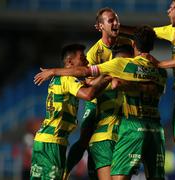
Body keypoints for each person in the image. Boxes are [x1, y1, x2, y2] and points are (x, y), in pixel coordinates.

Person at [34, 25, 167, 180]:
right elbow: (89, 87)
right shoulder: (158, 71)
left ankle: (65, 173)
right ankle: (65, 173)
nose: (86, 61)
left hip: (127, 133)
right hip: (110, 136)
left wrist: (53, 71)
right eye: (82, 59)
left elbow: (87, 74)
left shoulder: (121, 68)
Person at [121, 1, 175, 179]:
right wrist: (117, 28)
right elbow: (144, 33)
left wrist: (159, 63)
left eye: (172, 7)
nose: (168, 10)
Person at [63, 7, 133, 180]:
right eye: (111, 20)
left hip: (121, 98)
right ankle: (64, 173)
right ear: (99, 27)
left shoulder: (127, 43)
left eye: (117, 19)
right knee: (86, 138)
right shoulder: (94, 53)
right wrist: (110, 77)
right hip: (98, 99)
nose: (116, 23)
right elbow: (88, 82)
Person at [30, 43, 111, 180]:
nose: (86, 61)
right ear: (70, 62)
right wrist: (108, 78)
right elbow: (88, 94)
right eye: (82, 57)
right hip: (52, 143)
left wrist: (106, 74)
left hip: (49, 141)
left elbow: (90, 84)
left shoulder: (63, 79)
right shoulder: (68, 79)